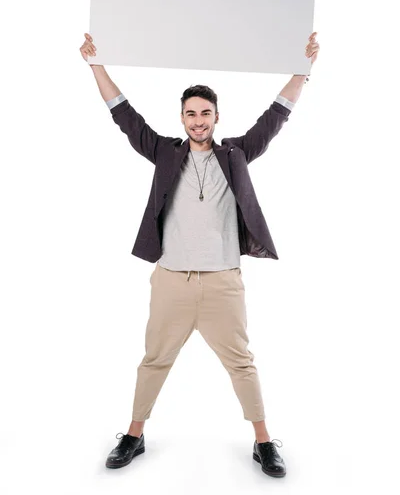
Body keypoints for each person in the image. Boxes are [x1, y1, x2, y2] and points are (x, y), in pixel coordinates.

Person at [80, 32, 320, 477]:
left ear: (215, 117)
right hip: (171, 279)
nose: (197, 120)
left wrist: (302, 70)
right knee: (154, 359)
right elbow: (124, 116)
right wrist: (97, 66)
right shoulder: (164, 152)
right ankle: (134, 435)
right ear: (182, 117)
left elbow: (276, 116)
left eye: (205, 113)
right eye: (190, 113)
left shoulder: (237, 154)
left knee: (241, 363)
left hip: (222, 282)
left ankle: (263, 442)